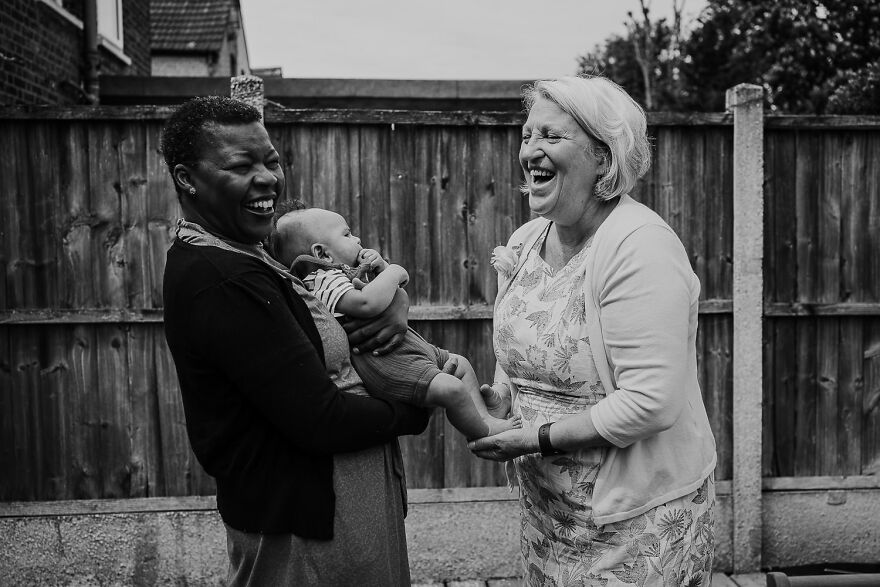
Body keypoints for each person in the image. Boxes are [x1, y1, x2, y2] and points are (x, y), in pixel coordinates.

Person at [160, 96, 432, 586]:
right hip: (305, 527)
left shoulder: (253, 250)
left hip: (340, 509)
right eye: (241, 166)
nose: (266, 178)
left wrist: (397, 304)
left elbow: (338, 290)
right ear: (187, 178)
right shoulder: (222, 278)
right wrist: (415, 408)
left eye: (271, 161)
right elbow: (318, 420)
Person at [467, 76, 718, 586]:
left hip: (634, 524)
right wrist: (499, 398)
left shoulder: (640, 247)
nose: (530, 151)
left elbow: (650, 402)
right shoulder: (528, 238)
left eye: (551, 136)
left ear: (603, 158)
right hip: (549, 518)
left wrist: (533, 439)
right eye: (527, 135)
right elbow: (525, 343)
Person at [269, 205, 517, 440]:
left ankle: (486, 416)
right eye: (347, 235)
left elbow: (384, 294)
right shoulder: (323, 280)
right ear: (321, 253)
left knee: (460, 364)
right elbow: (367, 303)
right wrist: (394, 270)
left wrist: (381, 269)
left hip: (405, 348)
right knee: (451, 389)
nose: (357, 239)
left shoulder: (342, 273)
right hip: (384, 360)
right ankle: (483, 431)